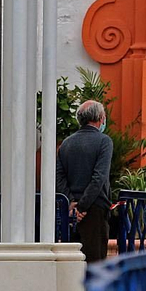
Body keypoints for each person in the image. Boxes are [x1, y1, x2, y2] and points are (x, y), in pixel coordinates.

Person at [55, 100, 114, 264]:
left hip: (70, 212)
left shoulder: (66, 143)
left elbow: (59, 177)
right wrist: (82, 206)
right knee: (95, 262)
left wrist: (72, 203)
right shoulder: (104, 142)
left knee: (72, 262)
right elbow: (99, 177)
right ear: (101, 118)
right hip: (94, 208)